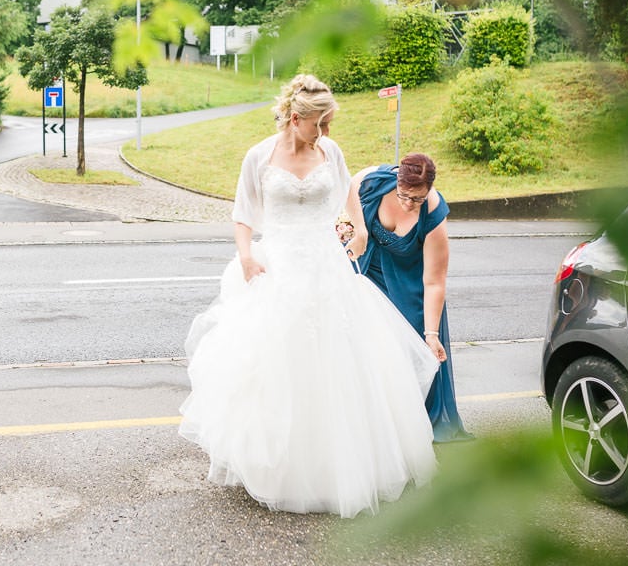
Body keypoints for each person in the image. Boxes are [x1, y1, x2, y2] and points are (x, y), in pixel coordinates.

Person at [178, 75, 442, 519]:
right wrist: (245, 256)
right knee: (277, 366)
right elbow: (244, 214)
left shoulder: (330, 152)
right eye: (320, 124)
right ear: (295, 119)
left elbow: (348, 194)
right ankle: (280, 465)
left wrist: (357, 229)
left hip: (327, 267)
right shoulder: (259, 157)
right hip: (278, 268)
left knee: (339, 363)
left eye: (329, 123)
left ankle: (340, 465)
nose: (326, 133)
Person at [349, 153, 474, 443]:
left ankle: (412, 422)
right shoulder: (374, 181)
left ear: (429, 190)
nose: (408, 204)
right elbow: (346, 192)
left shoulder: (432, 215)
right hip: (370, 273)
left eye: (416, 199)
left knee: (412, 348)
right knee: (367, 346)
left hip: (410, 285)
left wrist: (431, 334)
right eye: (404, 195)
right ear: (396, 181)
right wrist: (356, 228)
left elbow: (434, 282)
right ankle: (372, 418)